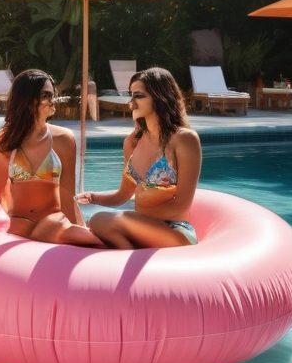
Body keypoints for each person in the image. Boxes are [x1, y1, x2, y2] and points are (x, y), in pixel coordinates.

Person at [77, 67, 201, 248]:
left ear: (160, 98)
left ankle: (128, 251)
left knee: (103, 219)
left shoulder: (184, 139)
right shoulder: (132, 142)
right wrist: (93, 197)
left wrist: (135, 217)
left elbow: (181, 207)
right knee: (96, 221)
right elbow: (123, 195)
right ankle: (129, 254)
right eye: (131, 95)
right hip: (138, 224)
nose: (132, 102)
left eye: (139, 96)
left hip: (174, 230)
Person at [0, 70, 102, 247]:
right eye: (46, 95)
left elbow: (67, 195)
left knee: (99, 243)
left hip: (53, 222)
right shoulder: (6, 141)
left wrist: (78, 229)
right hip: (19, 223)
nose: (53, 100)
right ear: (28, 100)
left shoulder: (63, 139)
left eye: (53, 95)